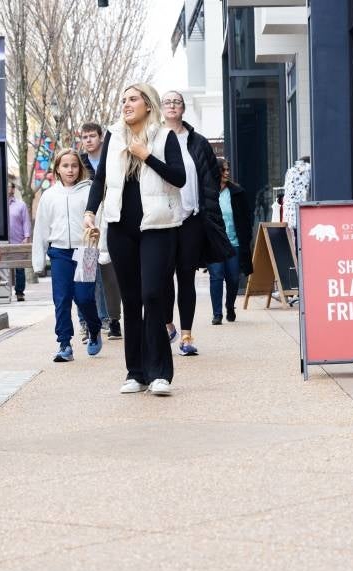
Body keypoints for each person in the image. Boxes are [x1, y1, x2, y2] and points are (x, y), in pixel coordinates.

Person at [84, 83, 186, 396]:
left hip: (157, 227)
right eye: (123, 100)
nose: (126, 104)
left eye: (132, 99)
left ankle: (160, 373)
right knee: (130, 300)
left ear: (148, 104)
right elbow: (101, 179)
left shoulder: (164, 137)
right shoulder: (114, 136)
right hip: (120, 228)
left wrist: (146, 156)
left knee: (153, 295)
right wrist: (90, 211)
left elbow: (179, 178)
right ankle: (136, 372)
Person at [159, 90, 232, 353]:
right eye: (167, 102)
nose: (172, 105)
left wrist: (209, 212)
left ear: (183, 108)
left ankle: (187, 336)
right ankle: (168, 325)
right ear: (161, 108)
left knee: (186, 276)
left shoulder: (198, 142)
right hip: (163, 219)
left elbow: (211, 178)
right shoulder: (154, 139)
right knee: (163, 276)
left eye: (177, 102)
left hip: (191, 217)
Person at [32, 149, 102, 362]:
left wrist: (103, 250)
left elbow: (101, 220)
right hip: (59, 252)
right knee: (61, 299)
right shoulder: (49, 196)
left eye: (74, 165)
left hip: (85, 251)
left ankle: (94, 328)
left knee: (84, 297)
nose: (70, 170)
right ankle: (64, 344)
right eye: (65, 166)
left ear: (80, 168)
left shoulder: (89, 191)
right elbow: (41, 229)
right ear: (57, 169)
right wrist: (38, 262)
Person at [80, 122, 123, 341]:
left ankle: (113, 319)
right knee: (87, 274)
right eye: (84, 137)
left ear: (101, 138)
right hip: (87, 226)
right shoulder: (78, 163)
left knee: (110, 274)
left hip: (110, 221)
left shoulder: (113, 159)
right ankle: (87, 323)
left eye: (92, 136)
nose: (88, 140)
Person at [209, 158, 252, 325]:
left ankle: (230, 306)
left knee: (233, 278)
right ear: (216, 171)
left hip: (234, 243)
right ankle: (217, 314)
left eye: (228, 169)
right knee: (216, 276)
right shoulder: (207, 192)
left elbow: (246, 218)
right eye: (223, 170)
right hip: (214, 243)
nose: (227, 172)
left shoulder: (237, 192)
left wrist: (246, 239)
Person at [7, 176, 31, 301]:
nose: (7, 188)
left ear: (13, 189)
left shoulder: (21, 205)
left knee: (19, 269)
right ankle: (4, 293)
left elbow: (26, 221)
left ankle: (20, 292)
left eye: (9, 186)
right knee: (3, 269)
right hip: (3, 241)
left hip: (18, 240)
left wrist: (26, 237)